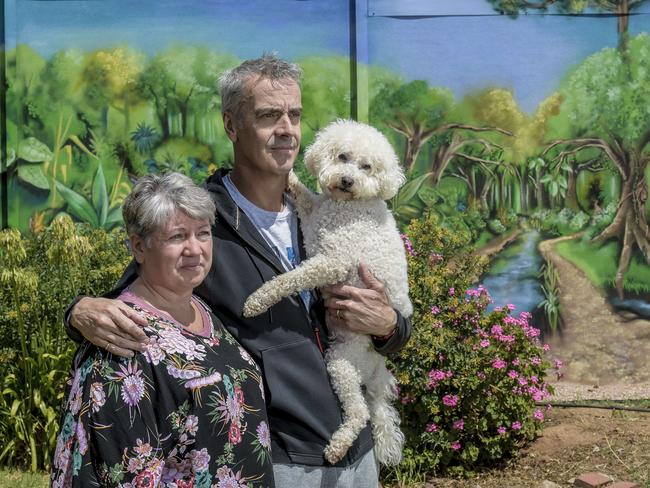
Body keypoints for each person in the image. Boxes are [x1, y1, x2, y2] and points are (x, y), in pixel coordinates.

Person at [65, 54, 411, 488]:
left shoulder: (330, 210)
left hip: (358, 454)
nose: (286, 129)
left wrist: (388, 326)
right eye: (268, 116)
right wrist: (78, 311)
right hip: (281, 458)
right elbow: (138, 294)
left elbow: (395, 321)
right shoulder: (204, 221)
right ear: (231, 126)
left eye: (295, 115)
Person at [52, 173, 274, 488]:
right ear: (139, 247)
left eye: (203, 233)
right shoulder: (121, 340)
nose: (195, 249)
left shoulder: (203, 309)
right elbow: (121, 474)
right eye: (177, 237)